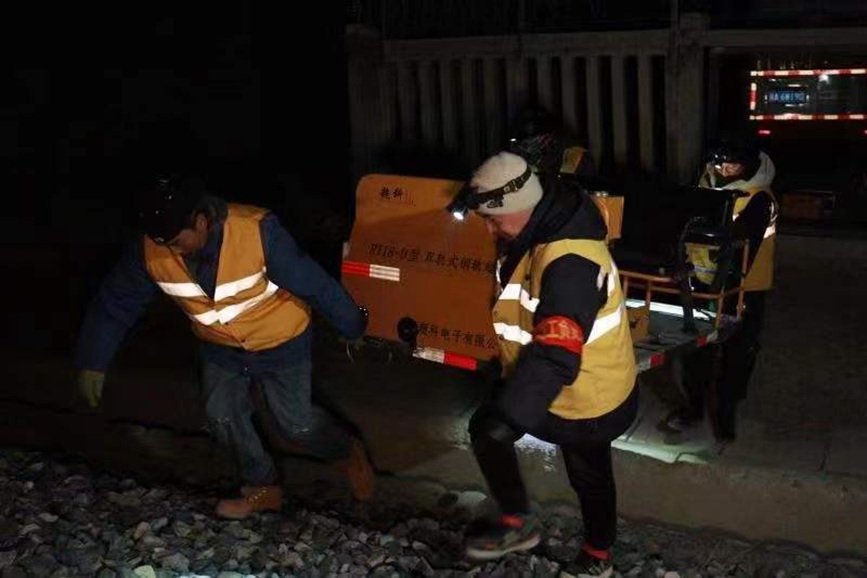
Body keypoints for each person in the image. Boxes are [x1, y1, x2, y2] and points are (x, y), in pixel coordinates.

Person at [74, 173, 376, 519]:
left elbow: (314, 284)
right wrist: (92, 360)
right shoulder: (148, 249)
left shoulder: (256, 231)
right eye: (165, 243)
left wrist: (352, 325)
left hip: (280, 341)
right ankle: (262, 488)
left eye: (178, 240)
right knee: (222, 417)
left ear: (201, 220)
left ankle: (346, 452)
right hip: (220, 348)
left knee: (298, 424)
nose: (173, 250)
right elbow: (116, 302)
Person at [459, 152, 638, 576]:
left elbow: (556, 355)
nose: (490, 230)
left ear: (518, 207)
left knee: (586, 472)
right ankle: (521, 522)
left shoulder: (571, 264)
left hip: (588, 400)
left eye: (493, 220)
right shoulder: (545, 225)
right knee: (492, 432)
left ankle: (595, 554)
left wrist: (511, 413)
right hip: (562, 386)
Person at [675, 138, 778, 440]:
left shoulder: (760, 198)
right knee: (697, 350)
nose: (724, 169)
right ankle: (694, 406)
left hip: (745, 288)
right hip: (701, 283)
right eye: (720, 162)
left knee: (738, 353)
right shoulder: (704, 184)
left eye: (732, 164)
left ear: (749, 165)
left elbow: (741, 244)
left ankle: (725, 413)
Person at [507, 104, 596, 179]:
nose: (526, 148)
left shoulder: (576, 156)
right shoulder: (520, 160)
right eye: (522, 144)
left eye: (531, 141)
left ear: (548, 138)